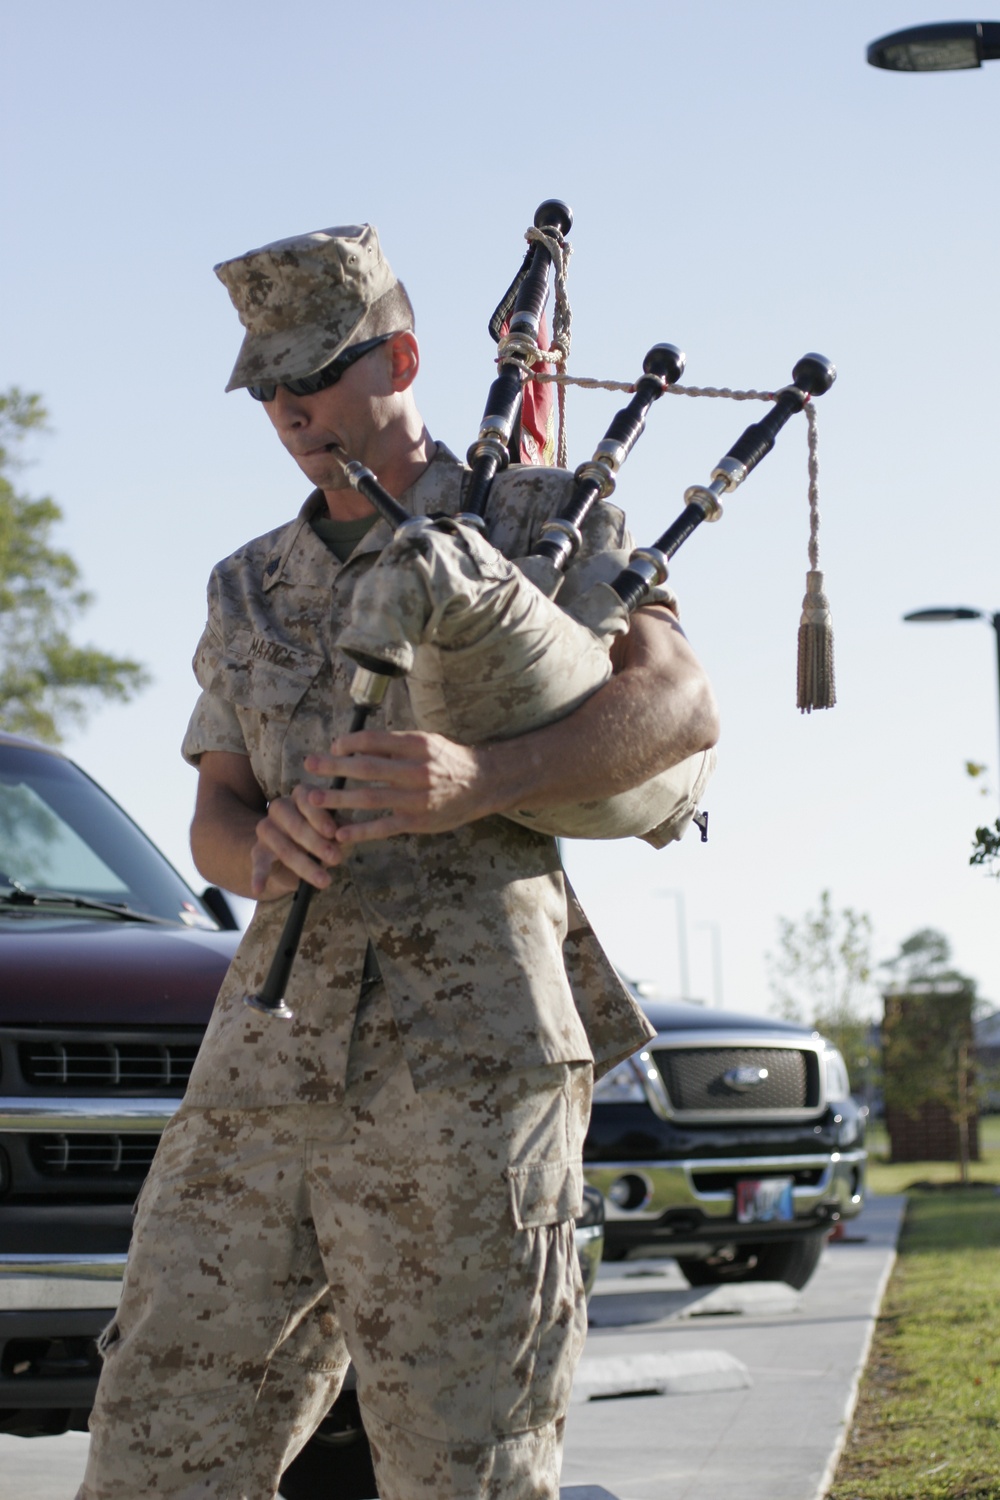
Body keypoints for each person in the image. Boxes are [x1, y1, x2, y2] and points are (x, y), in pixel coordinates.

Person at [78, 223, 718, 1500]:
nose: (288, 409)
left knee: (460, 1463)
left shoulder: (534, 515)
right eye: (265, 387)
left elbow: (680, 707)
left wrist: (489, 780)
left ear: (403, 355)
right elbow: (214, 810)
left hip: (473, 1059)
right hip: (266, 1046)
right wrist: (257, 846)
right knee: (156, 1438)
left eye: (310, 375)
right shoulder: (247, 583)